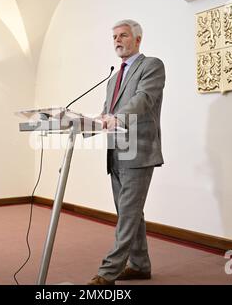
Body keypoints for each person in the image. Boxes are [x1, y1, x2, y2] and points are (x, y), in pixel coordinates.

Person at [88, 19, 165, 285]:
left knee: (128, 214)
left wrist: (118, 118)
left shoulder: (151, 65)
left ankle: (108, 271)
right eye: (114, 37)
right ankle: (140, 266)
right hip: (115, 152)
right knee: (129, 213)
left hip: (138, 152)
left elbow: (142, 99)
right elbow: (106, 113)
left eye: (123, 36)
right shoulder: (113, 78)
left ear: (138, 39)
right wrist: (86, 124)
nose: (117, 41)